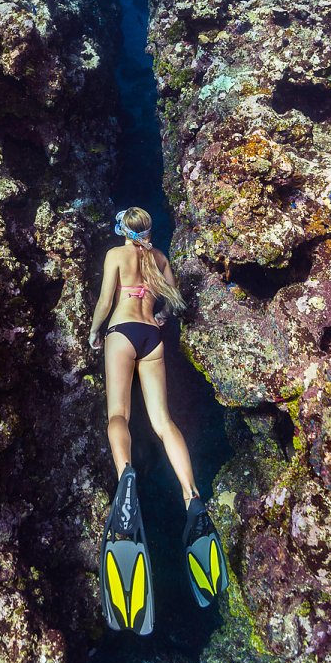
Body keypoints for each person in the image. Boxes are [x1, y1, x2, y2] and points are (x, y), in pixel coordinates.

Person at [90, 206, 229, 634]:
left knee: (118, 414)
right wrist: (162, 316)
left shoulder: (117, 255)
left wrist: (95, 332)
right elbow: (173, 298)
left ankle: (125, 478)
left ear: (122, 230)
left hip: (122, 333)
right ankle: (191, 495)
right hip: (152, 337)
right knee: (164, 423)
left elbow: (106, 301)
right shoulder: (160, 258)